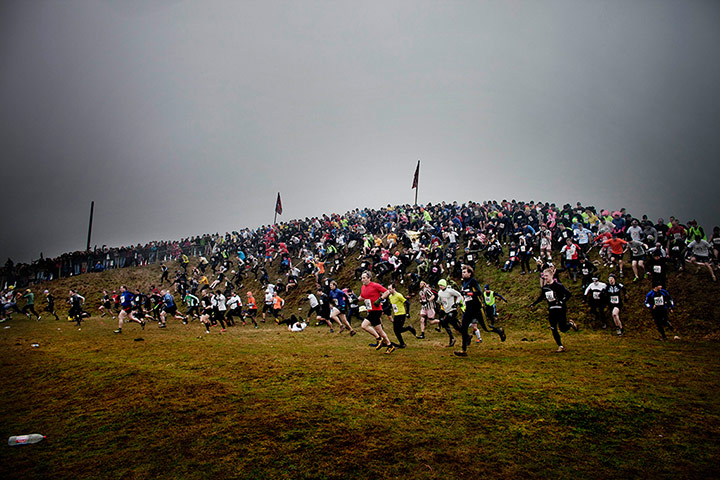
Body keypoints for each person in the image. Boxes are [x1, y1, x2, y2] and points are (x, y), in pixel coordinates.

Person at [528, 267, 578, 353]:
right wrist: (533, 304)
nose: (545, 277)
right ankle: (560, 346)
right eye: (544, 276)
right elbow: (541, 297)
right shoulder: (545, 288)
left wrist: (562, 301)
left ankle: (570, 324)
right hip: (551, 309)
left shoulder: (559, 286)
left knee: (563, 329)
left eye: (546, 276)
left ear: (551, 275)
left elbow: (568, 294)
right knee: (553, 328)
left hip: (560, 309)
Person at [357, 270, 394, 353]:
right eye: (361, 278)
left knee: (364, 325)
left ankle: (378, 339)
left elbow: (387, 291)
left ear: (369, 278)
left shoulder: (375, 285)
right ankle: (389, 345)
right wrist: (356, 300)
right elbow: (362, 296)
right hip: (370, 310)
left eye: (364, 278)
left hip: (376, 310)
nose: (362, 280)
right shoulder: (363, 287)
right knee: (380, 330)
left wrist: (380, 299)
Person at [435, 278, 463, 349]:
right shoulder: (440, 292)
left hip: (452, 311)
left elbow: (459, 295)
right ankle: (467, 336)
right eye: (439, 285)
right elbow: (439, 300)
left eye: (441, 285)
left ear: (445, 285)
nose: (440, 287)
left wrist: (456, 303)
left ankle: (452, 339)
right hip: (446, 311)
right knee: (456, 326)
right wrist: (437, 300)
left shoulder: (450, 291)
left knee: (445, 322)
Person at [387, 283, 415, 348]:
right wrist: (383, 310)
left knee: (398, 330)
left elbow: (407, 303)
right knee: (396, 330)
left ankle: (403, 342)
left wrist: (407, 313)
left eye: (390, 289)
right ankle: (402, 343)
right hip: (396, 314)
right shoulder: (390, 297)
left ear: (394, 289)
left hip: (402, 314)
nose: (389, 291)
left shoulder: (399, 295)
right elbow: (391, 305)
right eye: (388, 289)